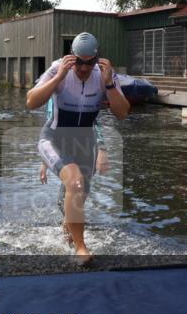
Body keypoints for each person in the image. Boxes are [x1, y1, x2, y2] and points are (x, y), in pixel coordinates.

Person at [26, 32, 129, 262]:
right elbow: (31, 102)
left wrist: (110, 83)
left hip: (85, 142)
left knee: (80, 194)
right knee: (75, 182)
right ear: (72, 57)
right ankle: (81, 248)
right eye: (78, 62)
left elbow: (122, 113)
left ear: (96, 59)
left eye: (89, 63)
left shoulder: (104, 75)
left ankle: (69, 229)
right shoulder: (57, 69)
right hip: (53, 138)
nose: (83, 69)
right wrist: (59, 76)